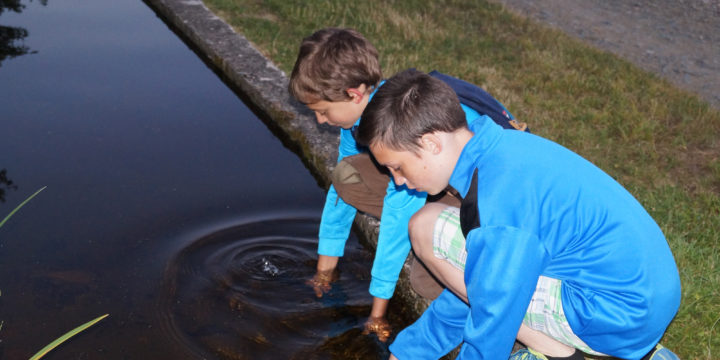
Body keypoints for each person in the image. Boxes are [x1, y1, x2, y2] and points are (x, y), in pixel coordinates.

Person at [355, 68, 682, 360]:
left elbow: (493, 310)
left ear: (430, 143)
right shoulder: (502, 148)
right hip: (644, 298)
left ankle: (559, 355)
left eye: (397, 167)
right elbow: (479, 279)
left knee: (429, 231)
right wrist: (412, 352)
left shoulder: (497, 199)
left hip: (615, 315)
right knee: (469, 256)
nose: (398, 180)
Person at [288, 28, 524, 341]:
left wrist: (377, 312)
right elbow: (339, 192)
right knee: (346, 174)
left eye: (322, 111)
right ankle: (431, 210)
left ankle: (511, 322)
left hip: (484, 186)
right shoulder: (358, 121)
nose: (319, 121)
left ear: (354, 94)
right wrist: (325, 269)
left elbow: (399, 206)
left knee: (425, 282)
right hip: (429, 176)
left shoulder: (397, 126)